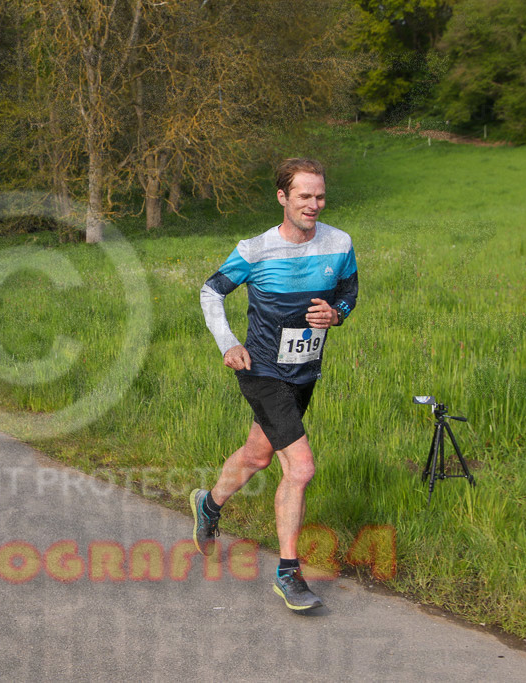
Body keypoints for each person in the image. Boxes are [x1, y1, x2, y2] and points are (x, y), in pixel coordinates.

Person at [193, 158, 358, 611]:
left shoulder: (339, 242)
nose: (314, 204)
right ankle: (289, 574)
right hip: (262, 371)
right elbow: (211, 291)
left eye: (320, 196)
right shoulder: (255, 250)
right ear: (283, 197)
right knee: (300, 468)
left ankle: (209, 504)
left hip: (304, 372)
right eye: (304, 196)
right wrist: (228, 343)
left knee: (259, 454)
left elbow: (348, 292)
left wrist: (337, 314)